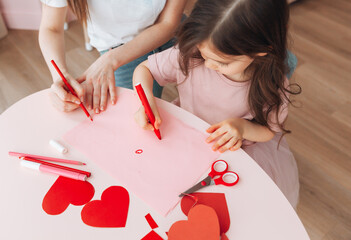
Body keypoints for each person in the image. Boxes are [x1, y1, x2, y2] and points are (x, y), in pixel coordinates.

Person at [133, 0, 301, 208]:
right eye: (205, 54)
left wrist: (241, 127)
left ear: (261, 50)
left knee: (226, 207)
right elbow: (145, 69)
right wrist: (147, 99)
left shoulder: (272, 84)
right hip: (187, 135)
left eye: (223, 62)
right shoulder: (191, 54)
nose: (210, 65)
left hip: (236, 153)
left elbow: (268, 131)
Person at [39, 0, 186, 113]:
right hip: (120, 49)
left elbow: (168, 23)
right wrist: (60, 76)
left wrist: (110, 60)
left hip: (174, 32)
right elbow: (51, 28)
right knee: (136, 119)